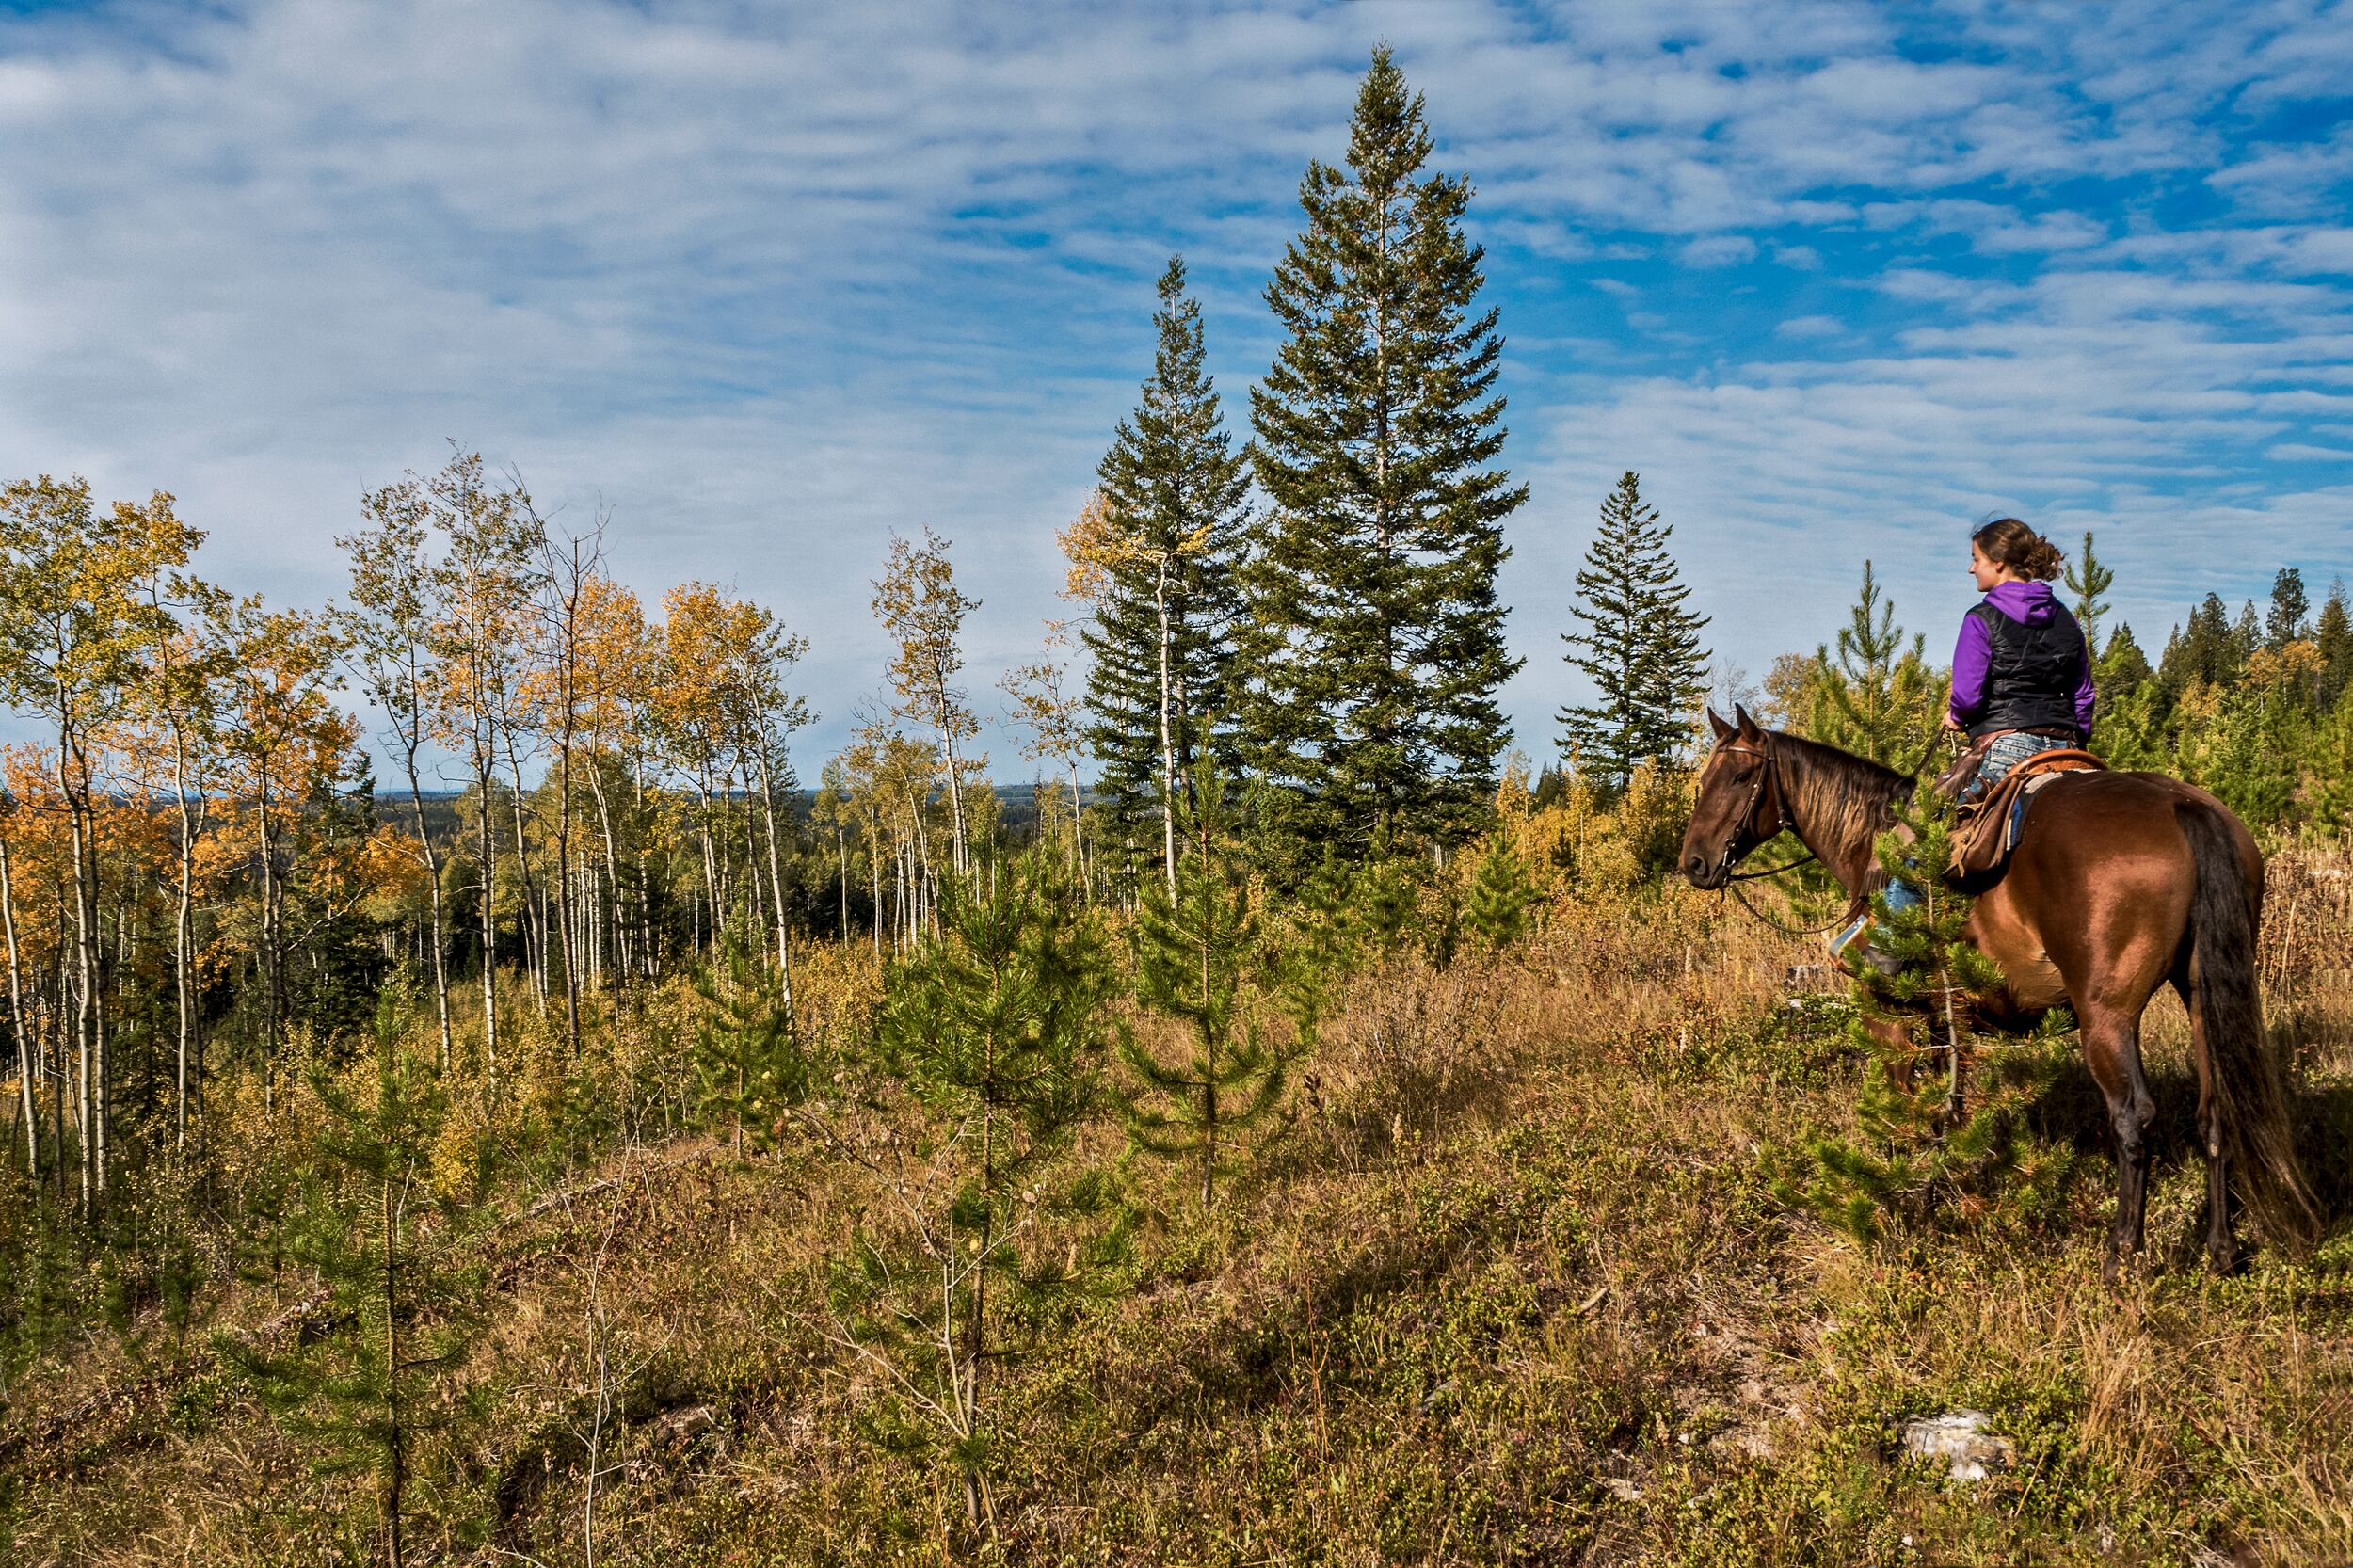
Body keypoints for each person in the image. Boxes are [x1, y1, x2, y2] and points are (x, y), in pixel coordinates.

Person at [1944, 518, 2095, 804]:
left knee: (1932, 831)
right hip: (2067, 748)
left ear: (1998, 563)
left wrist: (1956, 716)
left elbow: (1966, 698)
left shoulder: (1980, 619)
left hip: (2006, 748)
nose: (1972, 568)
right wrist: (2077, 739)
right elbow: (2083, 693)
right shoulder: (2067, 620)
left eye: (1977, 559)